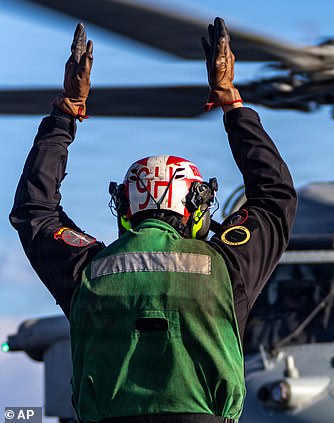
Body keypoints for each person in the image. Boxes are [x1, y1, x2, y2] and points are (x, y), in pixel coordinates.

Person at [9, 18, 296, 423]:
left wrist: (66, 114)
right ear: (196, 208)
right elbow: (274, 197)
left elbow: (35, 211)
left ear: (125, 208)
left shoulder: (87, 270)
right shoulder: (225, 268)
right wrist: (231, 102)